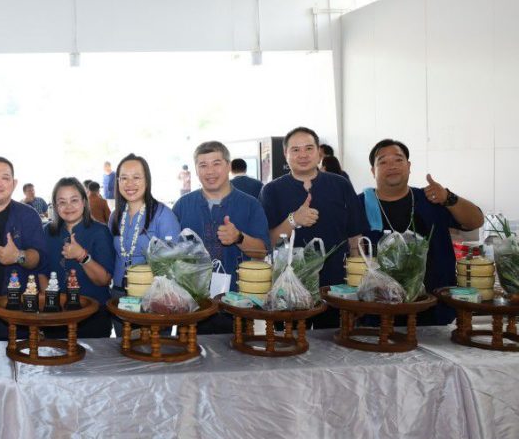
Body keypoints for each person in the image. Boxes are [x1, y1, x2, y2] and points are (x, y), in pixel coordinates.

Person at [361, 139, 484, 325]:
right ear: (373, 170)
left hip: (434, 309)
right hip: (377, 312)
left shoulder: (432, 199)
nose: (392, 166)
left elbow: (475, 221)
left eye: (398, 160)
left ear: (409, 166)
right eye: (383, 162)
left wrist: (448, 198)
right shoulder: (360, 205)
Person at [259, 127, 366, 328]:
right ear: (286, 154)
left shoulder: (340, 185)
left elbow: (355, 238)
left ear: (319, 152)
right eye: (295, 150)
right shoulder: (272, 190)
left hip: (336, 286)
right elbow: (268, 242)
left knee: (334, 341)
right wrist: (293, 220)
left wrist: (359, 285)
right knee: (290, 342)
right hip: (289, 285)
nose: (303, 155)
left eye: (309, 148)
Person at [173, 142, 270, 333]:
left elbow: (262, 251)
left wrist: (239, 237)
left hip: (238, 303)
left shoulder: (250, 205)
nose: (210, 171)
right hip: (192, 305)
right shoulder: (183, 206)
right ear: (196, 170)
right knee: (191, 350)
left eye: (216, 163)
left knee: (239, 349)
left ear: (228, 166)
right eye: (203, 165)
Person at [0, 157, 47, 340]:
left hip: (16, 306)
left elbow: (38, 258)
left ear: (14, 184)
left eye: (5, 178)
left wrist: (18, 256)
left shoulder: (28, 215)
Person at [39, 178, 115, 337]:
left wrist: (82, 256)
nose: (68, 207)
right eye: (62, 202)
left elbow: (104, 280)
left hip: (93, 315)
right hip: (56, 316)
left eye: (74, 200)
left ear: (84, 202)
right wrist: (52, 302)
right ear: (55, 206)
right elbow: (41, 272)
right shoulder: (47, 232)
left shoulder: (100, 232)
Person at [109, 153, 182, 298]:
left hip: (151, 295)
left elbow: (175, 263)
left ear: (147, 180)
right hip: (118, 293)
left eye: (136, 177)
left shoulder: (163, 215)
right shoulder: (115, 216)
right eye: (124, 178)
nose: (129, 184)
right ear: (118, 182)